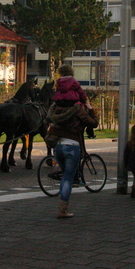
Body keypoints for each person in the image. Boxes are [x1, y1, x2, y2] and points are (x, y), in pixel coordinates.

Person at [46, 88, 99, 218]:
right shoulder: (78, 110)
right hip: (72, 146)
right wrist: (90, 109)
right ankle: (62, 209)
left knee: (65, 176)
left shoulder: (56, 109)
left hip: (58, 146)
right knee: (68, 179)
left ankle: (63, 206)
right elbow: (94, 123)